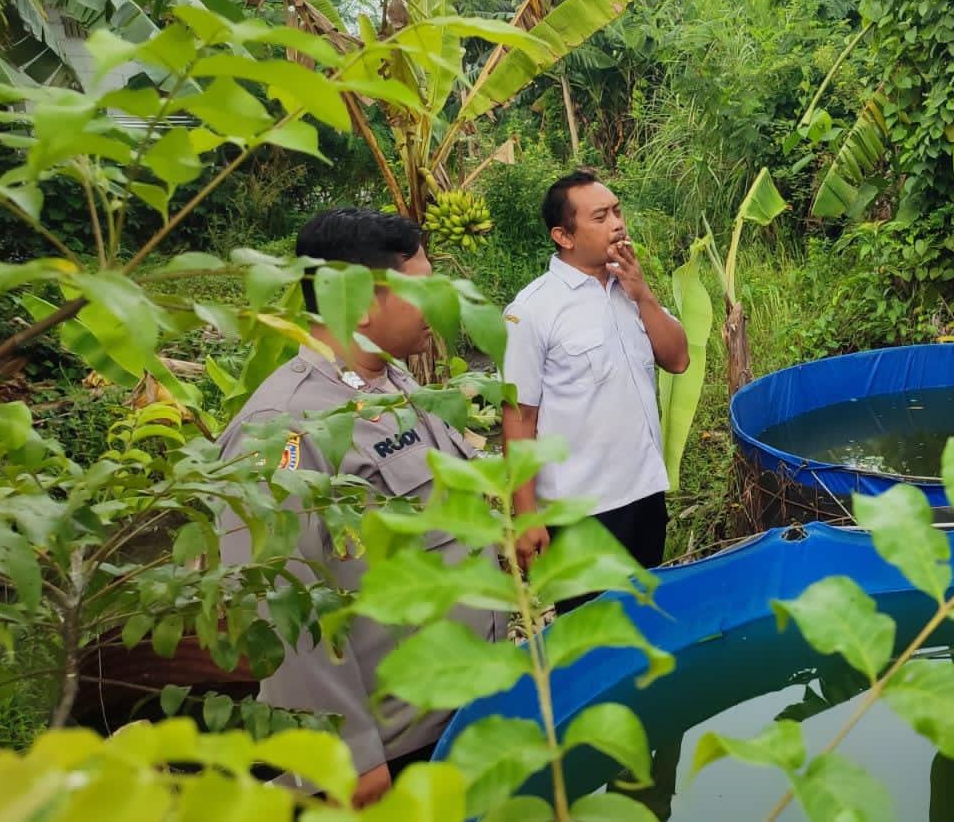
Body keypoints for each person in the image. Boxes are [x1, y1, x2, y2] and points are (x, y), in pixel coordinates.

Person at [218, 208, 505, 806]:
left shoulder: (395, 386)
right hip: (397, 746)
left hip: (464, 704)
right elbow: (280, 599)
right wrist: (344, 754)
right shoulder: (282, 430)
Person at [501, 171, 689, 608]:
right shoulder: (532, 310)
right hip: (579, 513)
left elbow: (678, 359)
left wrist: (643, 293)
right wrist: (525, 516)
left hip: (644, 494)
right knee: (591, 629)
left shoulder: (629, 289)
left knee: (644, 617)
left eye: (618, 212)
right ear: (563, 236)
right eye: (601, 217)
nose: (618, 224)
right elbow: (519, 417)